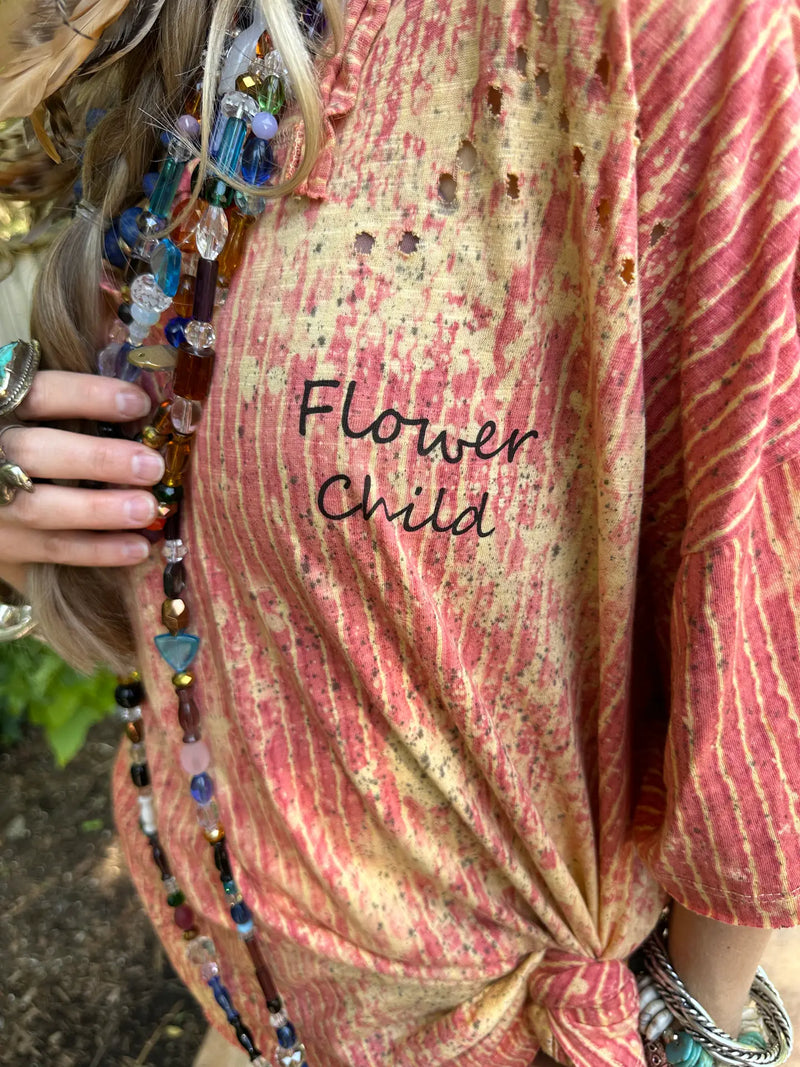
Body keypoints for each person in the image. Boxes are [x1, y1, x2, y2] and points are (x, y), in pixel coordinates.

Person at [0, 0, 798, 1064]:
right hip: (239, 985)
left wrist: (697, 1026)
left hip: (509, 1031)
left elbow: (757, 600)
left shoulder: (676, 36)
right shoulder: (198, 29)